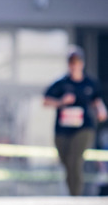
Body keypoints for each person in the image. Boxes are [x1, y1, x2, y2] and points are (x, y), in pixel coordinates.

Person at [43, 46, 107, 196]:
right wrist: (61, 102)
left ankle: (76, 196)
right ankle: (72, 193)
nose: (74, 65)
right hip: (63, 130)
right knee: (66, 161)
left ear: (82, 63)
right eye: (71, 62)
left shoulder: (90, 83)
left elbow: (97, 102)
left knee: (75, 160)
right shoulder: (61, 83)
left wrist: (101, 111)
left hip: (83, 128)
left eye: (77, 62)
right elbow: (45, 101)